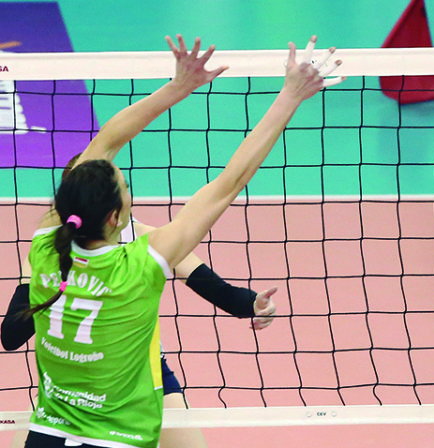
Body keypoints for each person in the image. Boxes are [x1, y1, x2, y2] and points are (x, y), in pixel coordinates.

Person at [7, 34, 341, 448]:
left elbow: (106, 142)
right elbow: (229, 182)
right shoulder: (144, 261)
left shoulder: (43, 246)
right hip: (120, 438)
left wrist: (177, 86)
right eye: (124, 186)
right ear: (115, 216)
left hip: (49, 434)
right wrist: (290, 95)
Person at [3, 155, 279, 448]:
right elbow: (12, 334)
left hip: (144, 373)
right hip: (72, 385)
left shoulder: (144, 241)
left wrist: (252, 303)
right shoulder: (52, 250)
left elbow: (220, 291)